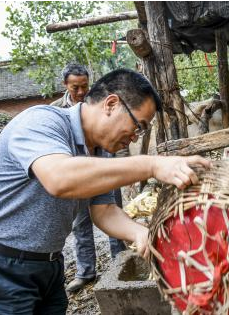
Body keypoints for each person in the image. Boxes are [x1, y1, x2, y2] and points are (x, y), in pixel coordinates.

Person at [0, 68, 211, 314]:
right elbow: (59, 178)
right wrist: (152, 164)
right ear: (111, 104)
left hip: (50, 265)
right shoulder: (41, 122)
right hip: (7, 266)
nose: (134, 138)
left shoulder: (99, 150)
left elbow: (104, 210)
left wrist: (141, 233)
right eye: (137, 126)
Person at [50, 63, 127, 293]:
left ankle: (120, 262)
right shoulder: (56, 110)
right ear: (65, 85)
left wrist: (122, 168)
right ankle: (86, 272)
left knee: (113, 214)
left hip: (105, 170)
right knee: (80, 224)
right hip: (79, 175)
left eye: (85, 86)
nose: (82, 92)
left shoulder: (99, 104)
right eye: (76, 87)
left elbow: (117, 134)